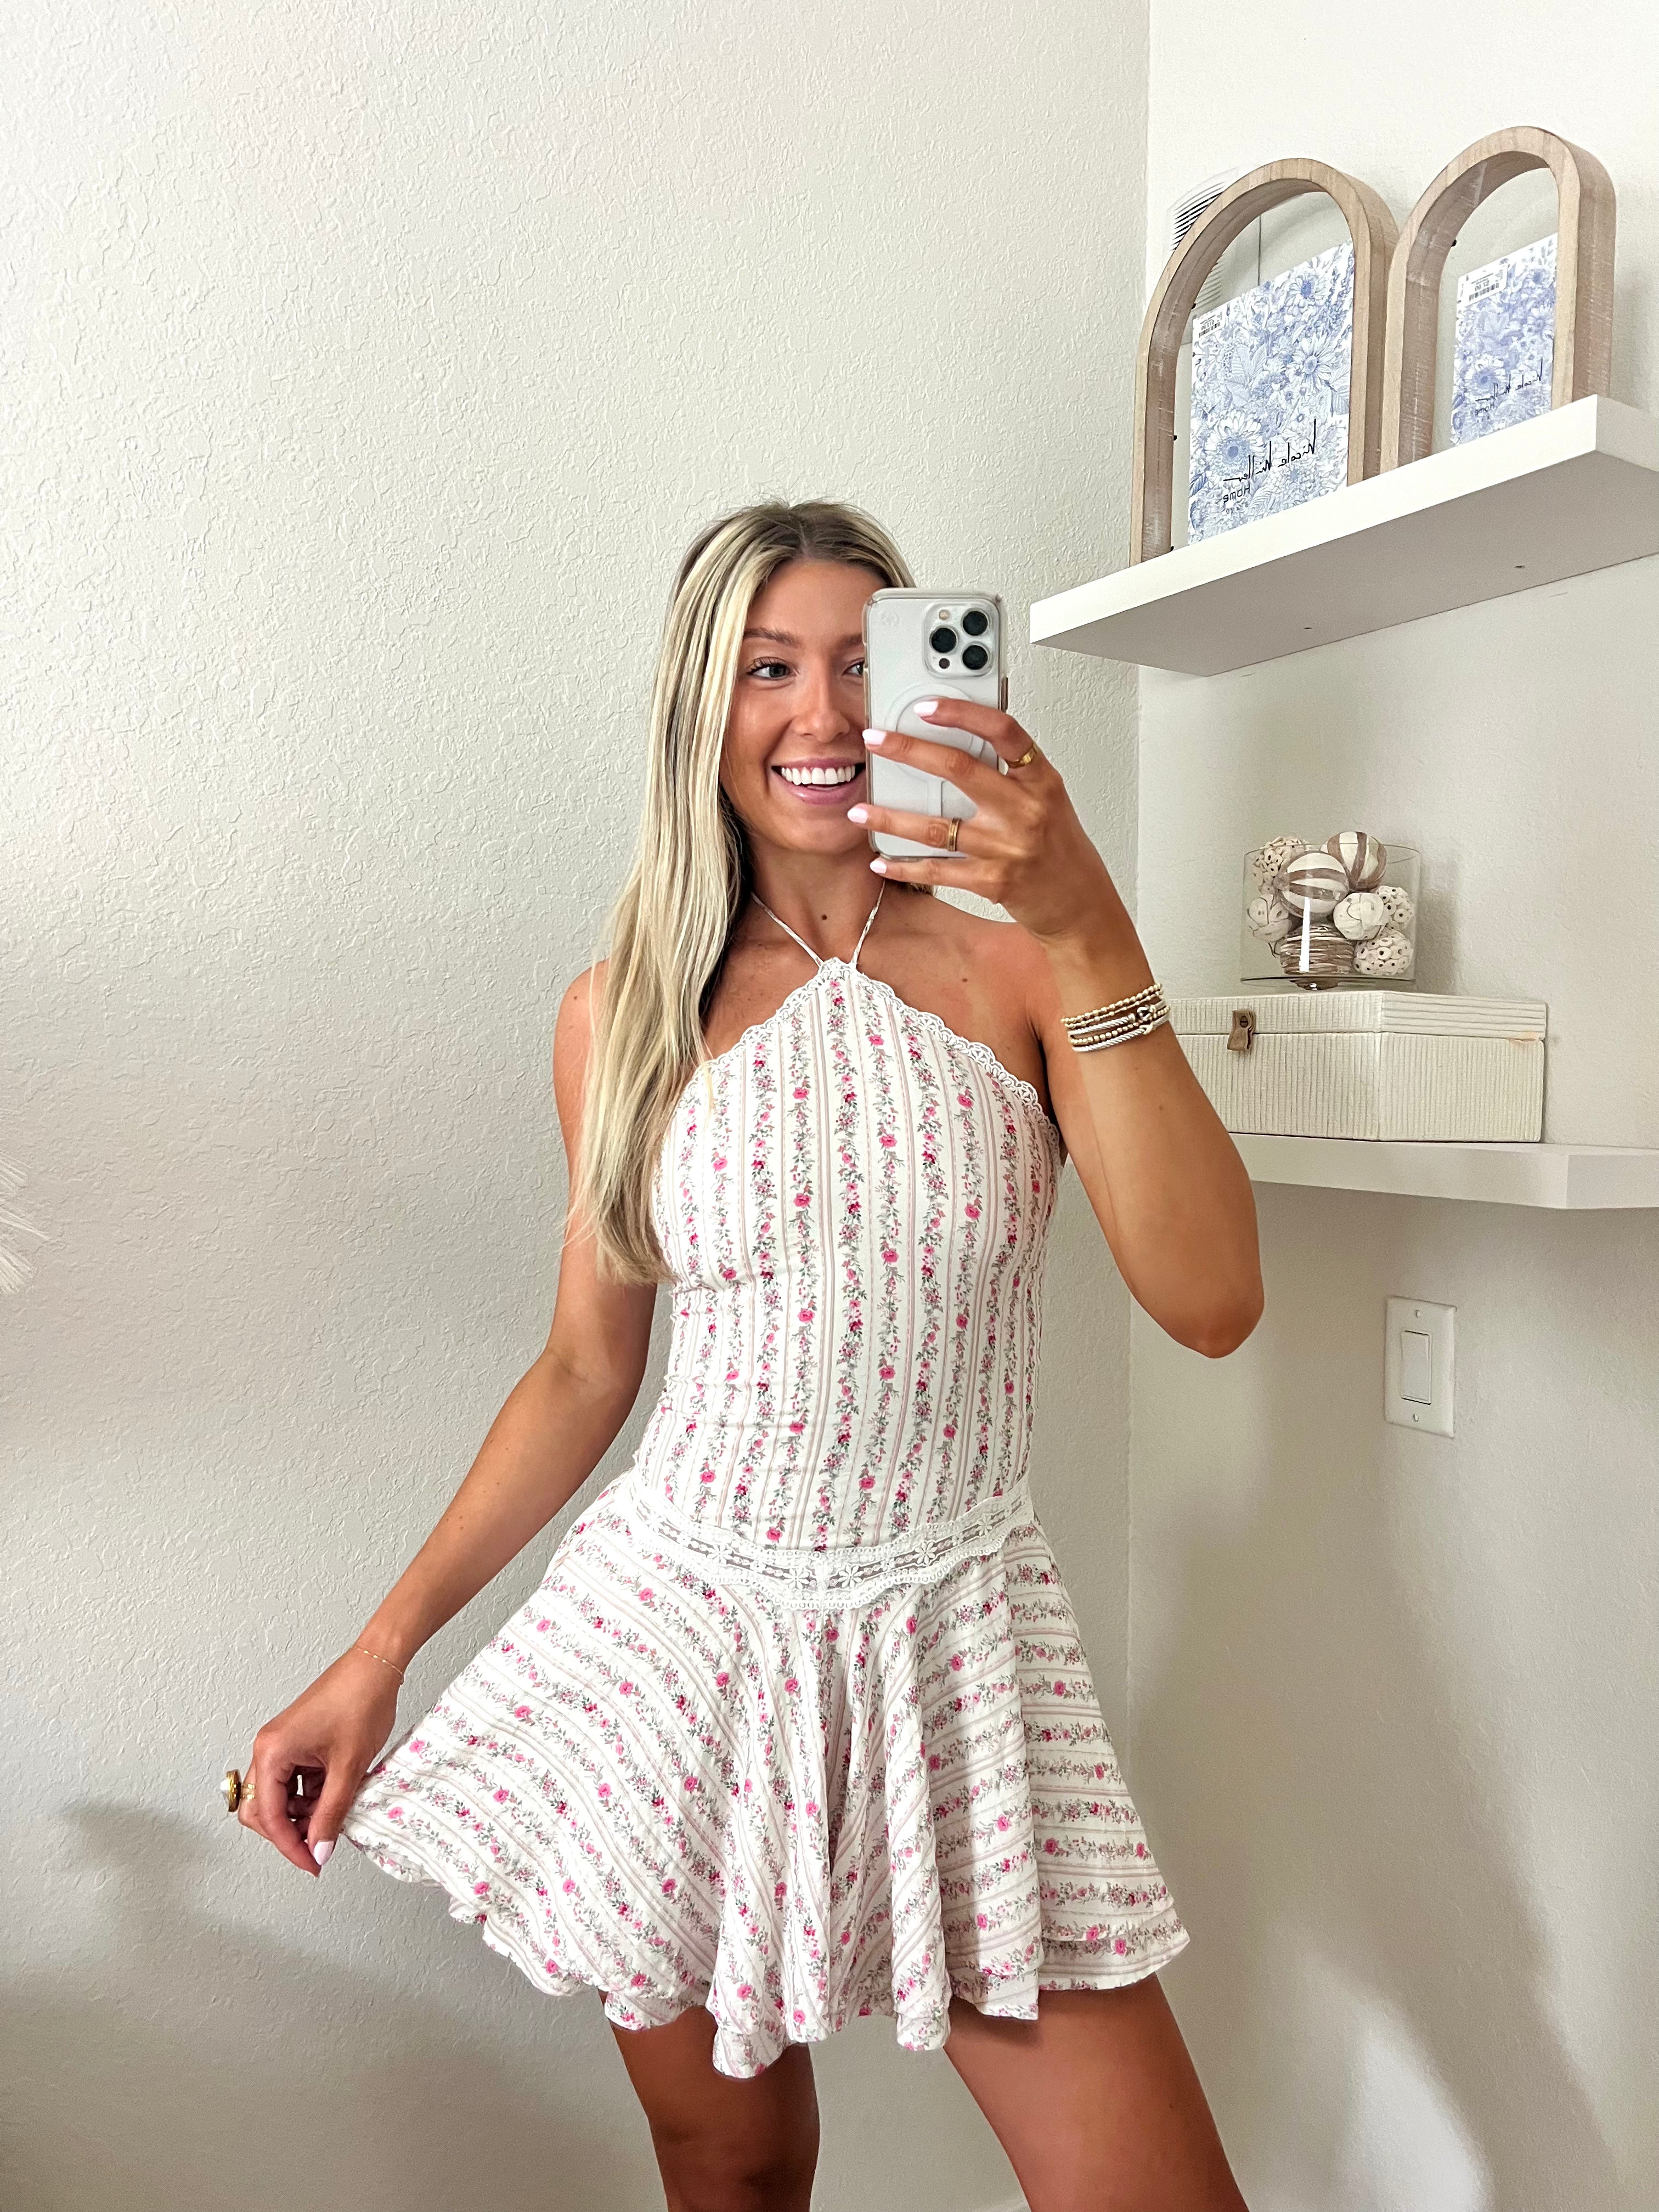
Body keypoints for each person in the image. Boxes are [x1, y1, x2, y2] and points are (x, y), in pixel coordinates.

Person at [230, 500, 1262, 2211]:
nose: (825, 713)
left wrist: (1094, 928)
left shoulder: (1026, 963)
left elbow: (1212, 1300)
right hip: (685, 1640)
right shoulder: (623, 1009)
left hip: (957, 1643)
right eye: (769, 669)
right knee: (733, 2164)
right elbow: (586, 1370)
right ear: (700, 709)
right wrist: (379, 1652)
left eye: (864, 662)